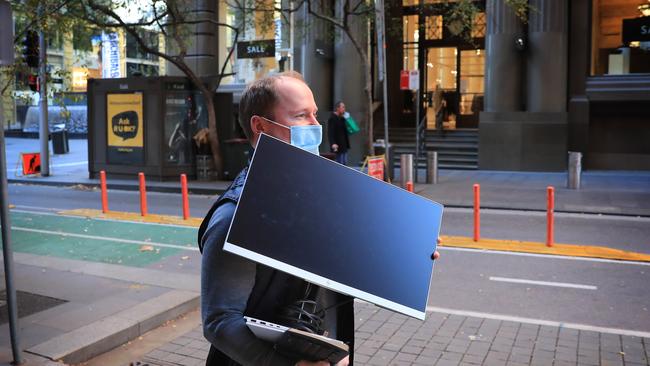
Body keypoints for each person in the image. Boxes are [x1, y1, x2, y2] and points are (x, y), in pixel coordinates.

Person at [199, 71, 440, 366]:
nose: (315, 125)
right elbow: (220, 321)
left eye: (315, 114)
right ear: (260, 127)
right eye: (301, 116)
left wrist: (411, 254)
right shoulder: (234, 215)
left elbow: (358, 264)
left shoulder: (323, 197)